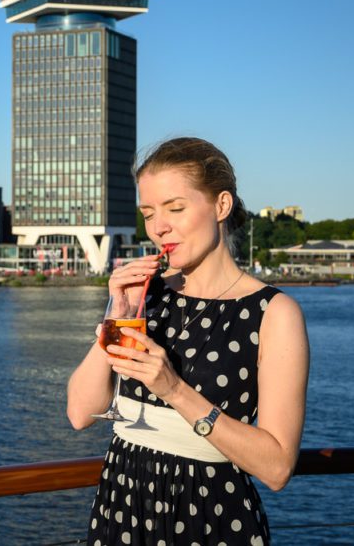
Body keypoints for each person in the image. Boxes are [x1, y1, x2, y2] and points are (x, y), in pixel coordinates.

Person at [67, 137, 309, 545]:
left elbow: (277, 467)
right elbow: (80, 413)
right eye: (148, 213)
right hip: (122, 511)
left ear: (221, 206)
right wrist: (116, 316)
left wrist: (174, 389)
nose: (159, 227)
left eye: (175, 208)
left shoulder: (275, 313)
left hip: (210, 517)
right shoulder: (147, 294)